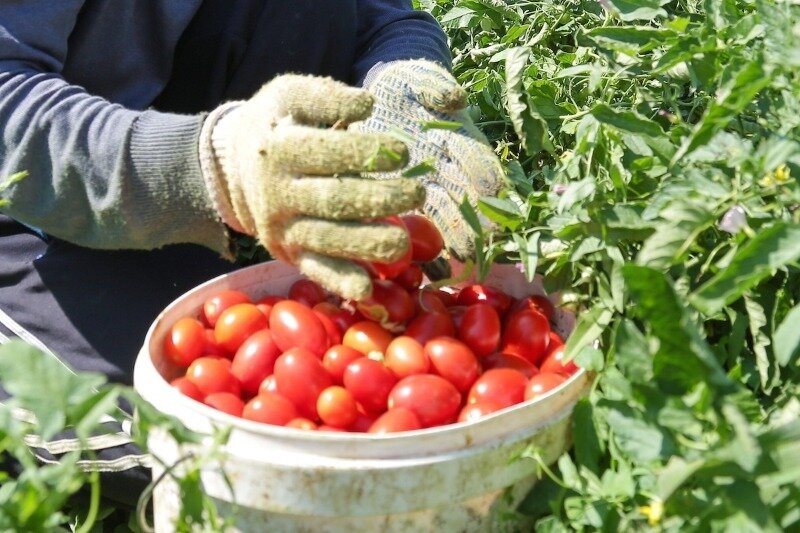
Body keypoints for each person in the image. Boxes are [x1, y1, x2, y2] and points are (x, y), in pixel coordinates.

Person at [0, 1, 504, 506]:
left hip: (184, 138)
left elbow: (381, 13)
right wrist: (212, 167)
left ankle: (238, 217)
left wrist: (399, 77)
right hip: (25, 206)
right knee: (188, 438)